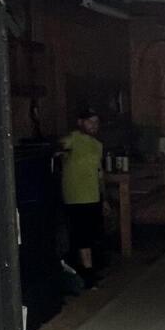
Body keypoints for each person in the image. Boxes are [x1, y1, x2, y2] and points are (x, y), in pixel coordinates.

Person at [59, 108, 106, 280]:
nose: (94, 125)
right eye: (90, 121)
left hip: (93, 195)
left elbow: (99, 173)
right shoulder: (73, 139)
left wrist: (104, 197)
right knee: (81, 236)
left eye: (96, 122)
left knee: (92, 235)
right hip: (76, 197)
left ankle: (91, 269)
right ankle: (87, 273)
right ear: (80, 122)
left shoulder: (97, 145)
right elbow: (58, 149)